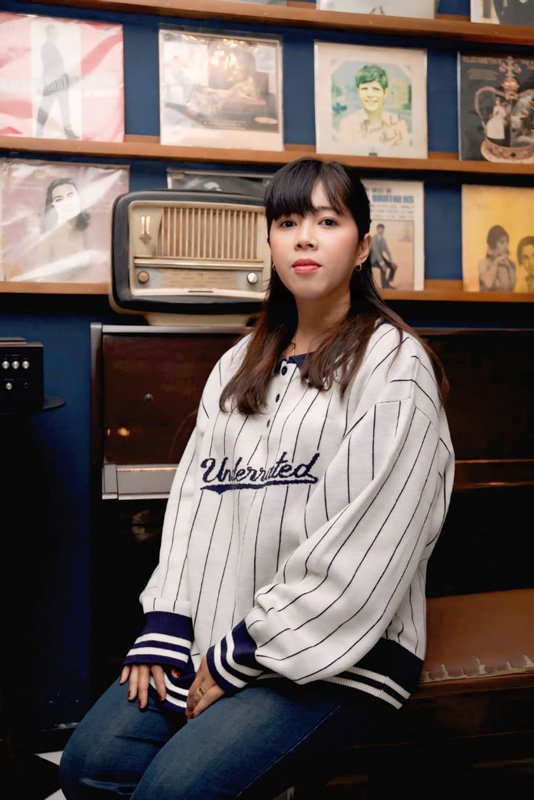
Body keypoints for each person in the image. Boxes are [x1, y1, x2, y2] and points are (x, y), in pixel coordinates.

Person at [59, 157, 455, 800]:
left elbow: (370, 545)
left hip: (337, 650)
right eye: (288, 223)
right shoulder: (238, 363)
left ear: (362, 246)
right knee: (88, 767)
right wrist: (168, 621)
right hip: (220, 635)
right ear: (270, 241)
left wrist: (242, 652)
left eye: (327, 222)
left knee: (174, 791)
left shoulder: (394, 364)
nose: (305, 238)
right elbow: (195, 504)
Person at [13, 177, 97, 282]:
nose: (66, 202)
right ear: (53, 205)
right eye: (59, 199)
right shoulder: (47, 237)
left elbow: (94, 272)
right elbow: (41, 275)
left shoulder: (86, 234)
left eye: (70, 196)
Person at [338, 64, 409, 150]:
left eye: (375, 89)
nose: (370, 95)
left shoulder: (399, 124)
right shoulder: (347, 124)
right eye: (364, 89)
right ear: (358, 92)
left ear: (385, 93)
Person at [35, 24, 78, 140]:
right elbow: (50, 66)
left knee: (60, 106)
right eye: (54, 32)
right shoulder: (48, 47)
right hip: (54, 81)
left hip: (56, 81)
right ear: (49, 33)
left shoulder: (51, 46)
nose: (56, 34)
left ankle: (67, 131)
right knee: (49, 105)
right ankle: (40, 129)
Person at [477, 224, 516, 291]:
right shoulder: (483, 264)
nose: (506, 246)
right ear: (493, 244)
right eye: (502, 242)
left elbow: (512, 288)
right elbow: (488, 284)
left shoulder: (510, 264)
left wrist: (508, 266)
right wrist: (496, 262)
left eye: (507, 242)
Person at [370, 222, 397, 288]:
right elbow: (376, 252)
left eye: (382, 229)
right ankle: (385, 286)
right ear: (377, 230)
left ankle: (388, 282)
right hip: (374, 260)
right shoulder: (374, 238)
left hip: (381, 258)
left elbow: (387, 250)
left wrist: (391, 261)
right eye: (380, 229)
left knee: (393, 267)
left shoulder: (383, 239)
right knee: (383, 268)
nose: (381, 231)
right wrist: (382, 264)